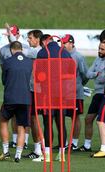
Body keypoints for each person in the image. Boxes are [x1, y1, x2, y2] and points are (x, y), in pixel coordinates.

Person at [33, 34, 71, 162]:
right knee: (61, 123)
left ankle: (47, 155)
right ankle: (62, 154)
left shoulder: (43, 52)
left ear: (44, 41)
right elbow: (71, 73)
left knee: (47, 123)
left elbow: (38, 76)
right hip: (63, 93)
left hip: (47, 94)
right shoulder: (65, 52)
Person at [0, 23, 34, 149]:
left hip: (26, 86)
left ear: (18, 35)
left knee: (24, 119)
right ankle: (15, 140)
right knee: (13, 116)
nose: (10, 37)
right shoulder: (3, 50)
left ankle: (24, 141)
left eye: (13, 35)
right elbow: (3, 69)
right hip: (11, 86)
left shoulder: (26, 48)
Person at [61, 34, 88, 150]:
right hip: (62, 93)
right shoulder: (60, 55)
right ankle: (64, 142)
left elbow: (85, 75)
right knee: (60, 116)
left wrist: (78, 86)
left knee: (75, 117)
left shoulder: (78, 57)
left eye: (64, 43)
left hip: (75, 93)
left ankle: (74, 143)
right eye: (61, 42)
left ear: (71, 43)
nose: (62, 45)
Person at [79, 42, 105, 152]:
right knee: (88, 119)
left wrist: (95, 75)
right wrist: (96, 74)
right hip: (97, 94)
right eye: (99, 48)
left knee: (104, 122)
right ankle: (87, 145)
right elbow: (88, 74)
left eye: (102, 49)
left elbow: (102, 79)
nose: (99, 51)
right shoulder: (98, 59)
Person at [23, 29, 44, 159]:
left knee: (35, 119)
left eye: (30, 38)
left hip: (37, 91)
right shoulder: (37, 51)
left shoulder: (36, 51)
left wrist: (12, 38)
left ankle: (40, 149)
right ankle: (39, 149)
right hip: (34, 89)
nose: (28, 40)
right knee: (34, 119)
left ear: (37, 39)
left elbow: (19, 50)